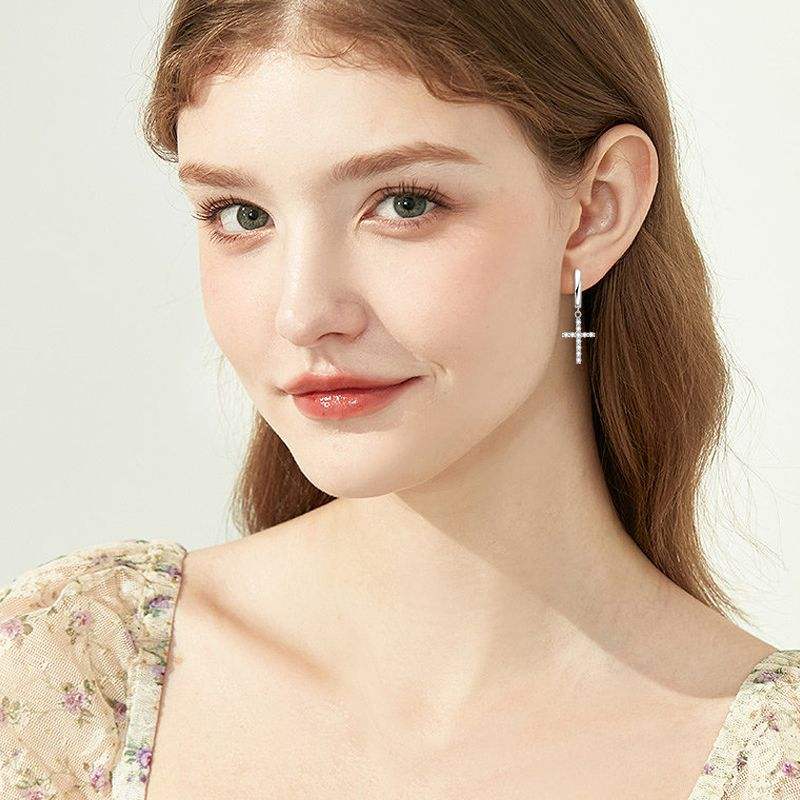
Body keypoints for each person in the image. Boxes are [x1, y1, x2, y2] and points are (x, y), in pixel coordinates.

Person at [2, 1, 797, 798]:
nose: (303, 313)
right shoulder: (67, 676)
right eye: (242, 216)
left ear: (596, 209)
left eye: (404, 203)